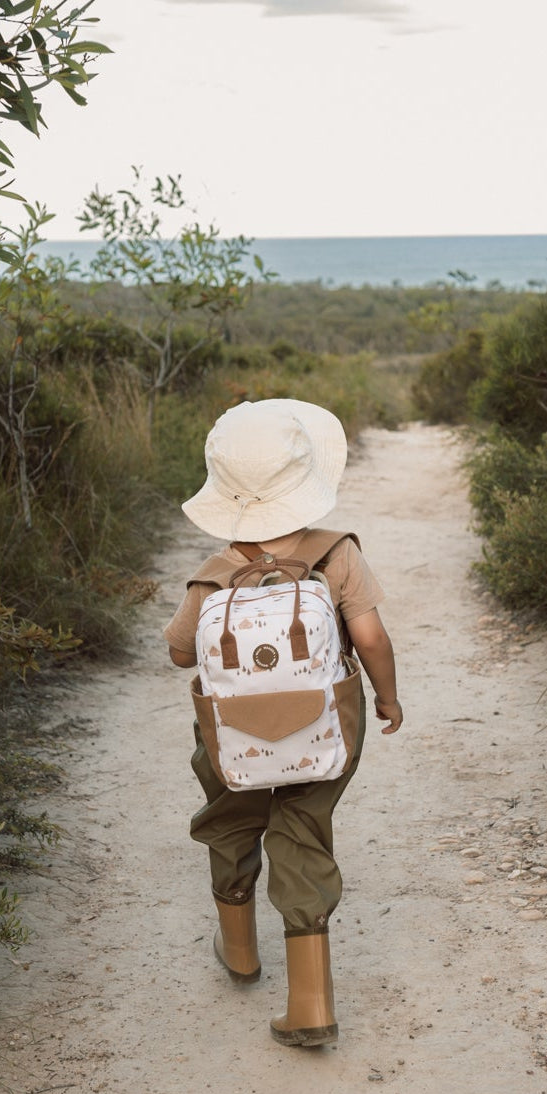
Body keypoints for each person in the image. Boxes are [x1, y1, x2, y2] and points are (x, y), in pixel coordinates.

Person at [163, 398, 402, 1047]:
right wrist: (386, 697)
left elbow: (181, 650)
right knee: (301, 832)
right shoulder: (336, 554)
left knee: (230, 819)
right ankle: (310, 1002)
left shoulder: (214, 573)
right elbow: (371, 637)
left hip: (232, 733)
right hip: (321, 728)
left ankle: (239, 951)